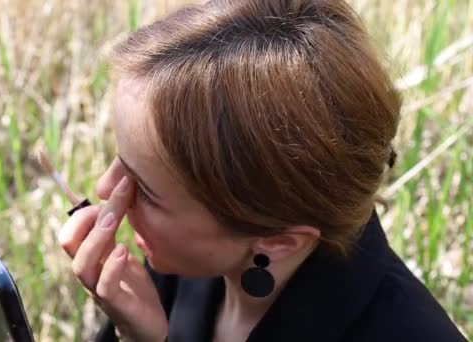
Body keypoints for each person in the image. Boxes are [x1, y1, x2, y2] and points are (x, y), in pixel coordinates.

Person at [58, 0, 468, 341]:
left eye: (144, 190)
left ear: (278, 242)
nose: (107, 187)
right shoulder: (194, 258)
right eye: (120, 161)